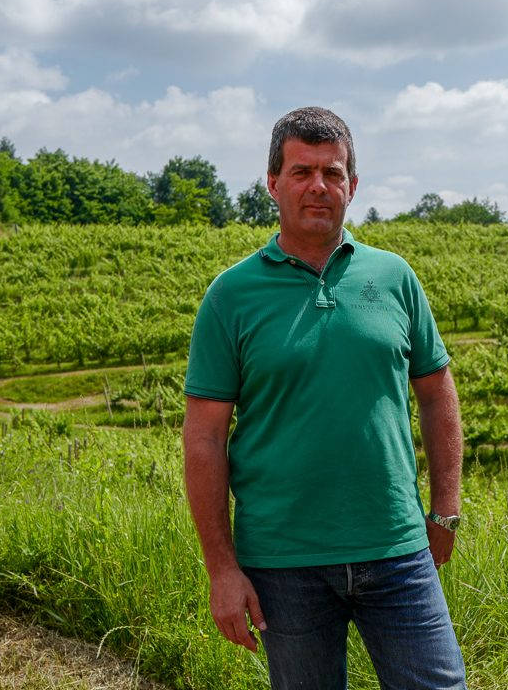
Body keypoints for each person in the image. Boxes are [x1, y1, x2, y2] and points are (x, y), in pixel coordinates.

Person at [182, 106, 467, 689]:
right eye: (302, 172)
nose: (318, 186)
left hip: (396, 548)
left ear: (352, 186)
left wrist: (445, 507)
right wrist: (222, 569)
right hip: (282, 563)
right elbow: (204, 437)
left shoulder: (394, 277)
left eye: (332, 173)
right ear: (273, 184)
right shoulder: (231, 295)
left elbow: (438, 393)